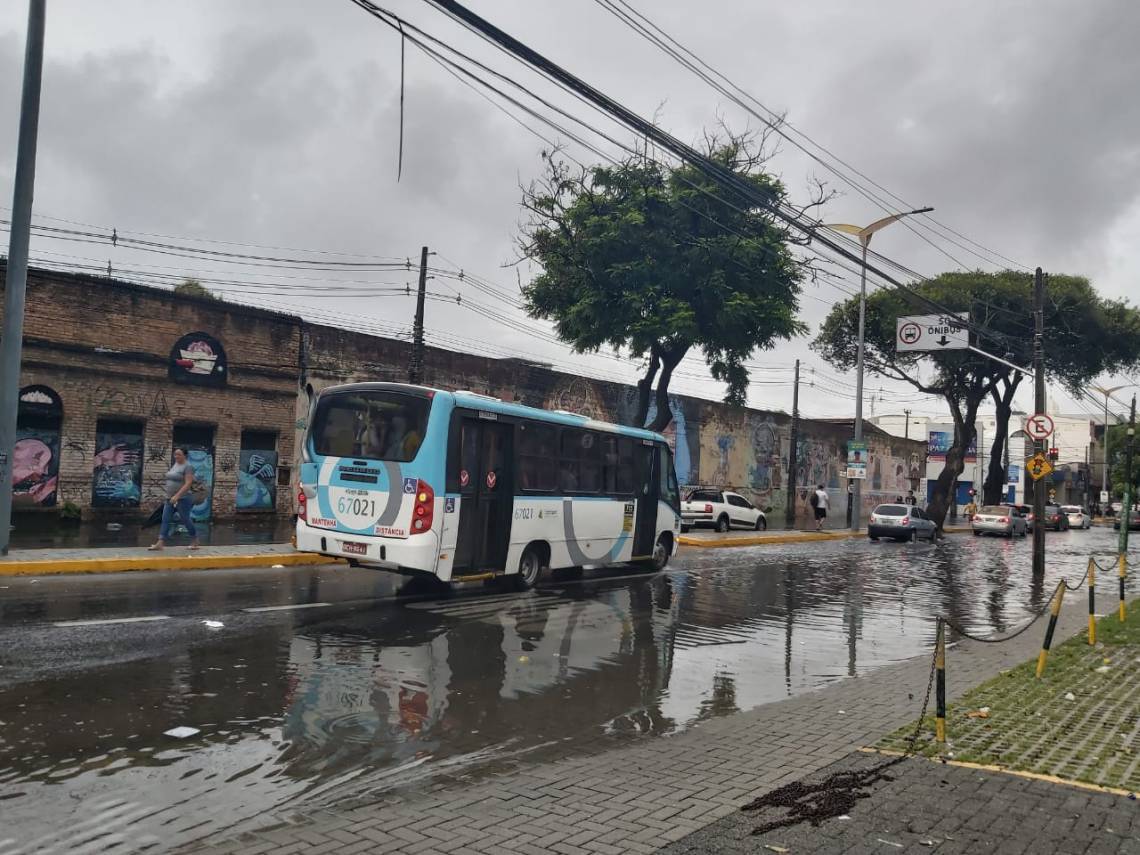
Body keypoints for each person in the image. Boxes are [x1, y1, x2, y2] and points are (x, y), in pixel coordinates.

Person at [148, 447, 199, 551]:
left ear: (185, 455)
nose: (176, 456)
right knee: (165, 519)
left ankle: (195, 540)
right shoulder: (175, 465)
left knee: (185, 519)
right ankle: (160, 543)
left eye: (179, 454)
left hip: (183, 498)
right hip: (169, 498)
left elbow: (188, 483)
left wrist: (177, 496)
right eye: (175, 454)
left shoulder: (188, 467)